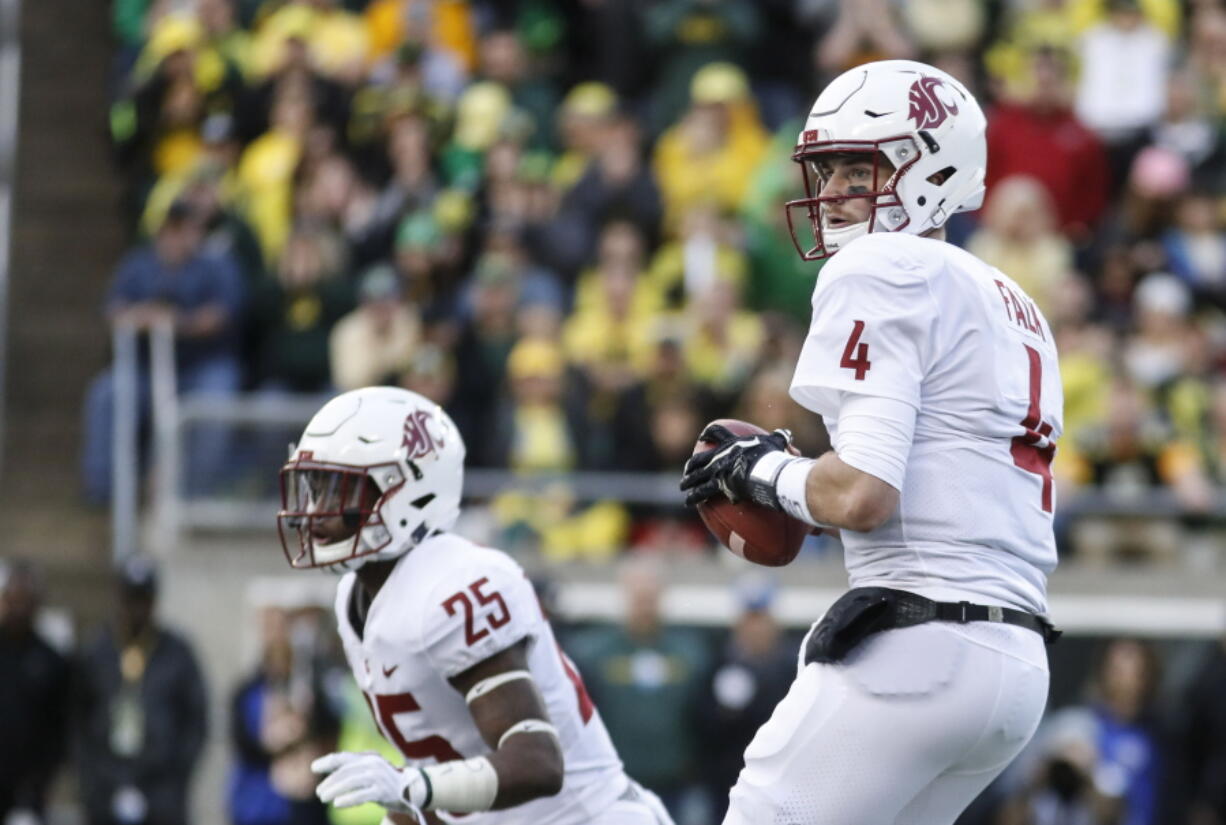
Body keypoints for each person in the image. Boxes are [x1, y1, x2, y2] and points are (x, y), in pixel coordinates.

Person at [680, 59, 1064, 823]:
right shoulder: (1013, 299)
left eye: (858, 169)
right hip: (1014, 661)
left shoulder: (882, 264)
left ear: (933, 167)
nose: (829, 194)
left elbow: (861, 493)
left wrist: (762, 472)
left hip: (921, 643)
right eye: (825, 172)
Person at [276, 386, 674, 825]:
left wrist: (410, 788)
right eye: (315, 488)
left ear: (408, 491)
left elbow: (537, 762)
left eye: (339, 491)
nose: (318, 511)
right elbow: (437, 766)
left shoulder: (453, 584)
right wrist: (406, 802)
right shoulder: (355, 600)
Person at [75, 556, 208, 825]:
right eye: (130, 600)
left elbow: (196, 719)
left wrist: (176, 775)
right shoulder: (97, 651)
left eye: (143, 600)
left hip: (161, 789)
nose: (136, 609)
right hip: (105, 785)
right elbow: (77, 718)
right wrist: (91, 778)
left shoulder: (176, 652)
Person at [0, 560, 71, 825]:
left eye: (25, 601)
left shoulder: (51, 661)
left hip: (31, 787)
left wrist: (42, 778)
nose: (18, 609)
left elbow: (59, 726)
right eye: (12, 599)